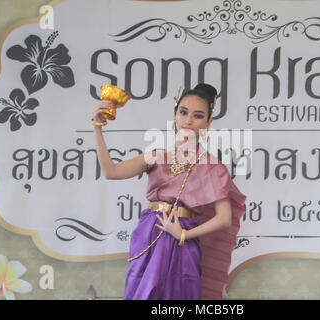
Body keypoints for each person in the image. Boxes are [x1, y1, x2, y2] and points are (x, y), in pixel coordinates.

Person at [91, 83, 246, 300]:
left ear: (208, 123)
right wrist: (97, 128)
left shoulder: (212, 166)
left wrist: (183, 234)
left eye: (198, 115)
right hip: (149, 233)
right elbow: (111, 171)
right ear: (175, 115)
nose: (188, 120)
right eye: (183, 112)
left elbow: (224, 218)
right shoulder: (156, 157)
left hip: (183, 240)